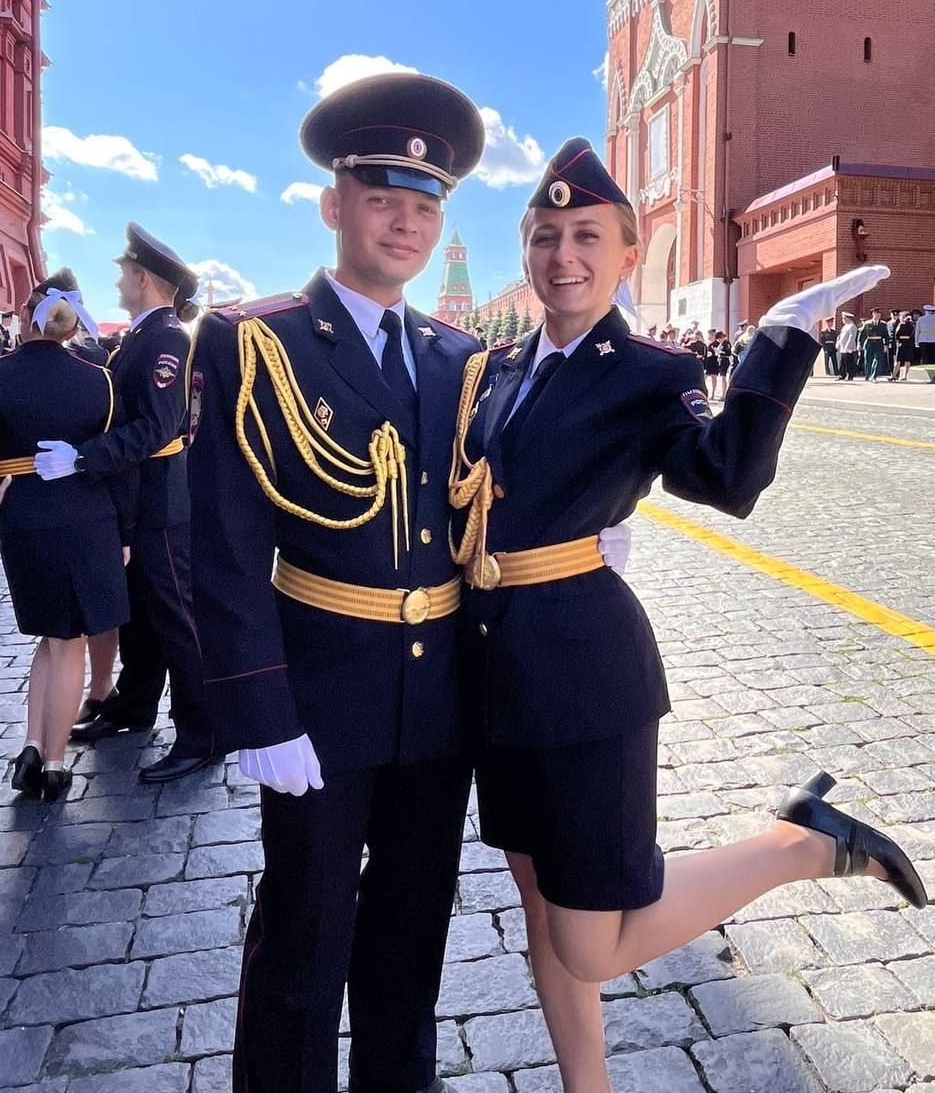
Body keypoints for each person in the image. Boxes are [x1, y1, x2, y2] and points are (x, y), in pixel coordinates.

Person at [186, 76, 632, 1093]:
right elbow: (218, 542)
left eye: (424, 207)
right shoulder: (257, 340)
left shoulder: (458, 356)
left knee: (412, 926)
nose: (404, 224)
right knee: (303, 928)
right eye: (381, 199)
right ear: (332, 205)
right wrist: (257, 710)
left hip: (439, 699)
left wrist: (589, 530)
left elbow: (496, 495)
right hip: (317, 694)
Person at [447, 138, 921, 1093]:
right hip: (495, 671)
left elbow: (724, 476)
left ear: (628, 254)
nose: (563, 256)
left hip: (587, 675)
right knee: (540, 906)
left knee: (591, 943)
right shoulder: (490, 369)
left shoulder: (646, 371)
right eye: (544, 237)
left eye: (587, 237)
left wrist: (778, 339)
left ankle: (804, 843)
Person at [34, 225, 216, 784]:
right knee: (139, 614)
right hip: (137, 498)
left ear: (143, 280)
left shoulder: (166, 341)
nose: (116, 283)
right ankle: (135, 707)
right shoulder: (143, 337)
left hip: (161, 499)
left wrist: (83, 459)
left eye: (123, 274)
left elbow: (158, 426)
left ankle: (203, 733)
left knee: (176, 617)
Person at [0, 271, 134, 800]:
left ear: (26, 314)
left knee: (52, 635)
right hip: (88, 515)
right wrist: (127, 530)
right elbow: (120, 464)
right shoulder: (99, 380)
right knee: (70, 640)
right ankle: (55, 763)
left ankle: (32, 743)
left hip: (22, 515)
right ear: (72, 327)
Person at [859, 307, 889, 382]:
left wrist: (886, 345)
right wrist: (859, 344)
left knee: (877, 360)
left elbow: (886, 335)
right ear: (873, 314)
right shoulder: (867, 323)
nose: (878, 315)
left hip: (879, 343)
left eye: (879, 314)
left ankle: (874, 376)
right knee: (868, 360)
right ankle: (867, 375)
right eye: (876, 313)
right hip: (869, 343)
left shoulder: (883, 324)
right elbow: (862, 335)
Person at [891, 311, 916, 382]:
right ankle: (904, 376)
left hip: (901, 344)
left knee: (898, 360)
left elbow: (896, 335)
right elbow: (912, 335)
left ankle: (894, 376)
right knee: (907, 360)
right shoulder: (912, 325)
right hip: (909, 344)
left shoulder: (900, 325)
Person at [836, 310, 859, 380]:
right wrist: (838, 343)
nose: (842, 320)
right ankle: (842, 375)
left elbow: (851, 338)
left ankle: (850, 375)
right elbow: (841, 336)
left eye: (844, 318)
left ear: (848, 318)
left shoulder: (852, 326)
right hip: (843, 348)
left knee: (849, 362)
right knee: (842, 362)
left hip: (849, 348)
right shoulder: (845, 326)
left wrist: (847, 347)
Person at [916, 303, 935, 383]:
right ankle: (933, 376)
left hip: (923, 340)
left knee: (925, 359)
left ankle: (927, 377)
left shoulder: (920, 319)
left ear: (926, 311)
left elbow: (917, 331)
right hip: (933, 341)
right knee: (933, 359)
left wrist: (916, 342)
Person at [703, 329, 720, 398]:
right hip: (708, 361)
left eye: (710, 334)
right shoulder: (707, 342)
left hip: (714, 361)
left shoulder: (717, 343)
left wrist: (713, 354)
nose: (709, 336)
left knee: (713, 377)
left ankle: (713, 393)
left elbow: (718, 353)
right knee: (704, 377)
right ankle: (704, 391)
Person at [715, 330, 732, 399]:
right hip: (720, 360)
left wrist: (721, 352)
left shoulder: (727, 343)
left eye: (720, 338)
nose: (719, 340)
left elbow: (728, 353)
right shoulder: (721, 344)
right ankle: (723, 394)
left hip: (725, 360)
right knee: (722, 377)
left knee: (723, 378)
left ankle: (724, 394)